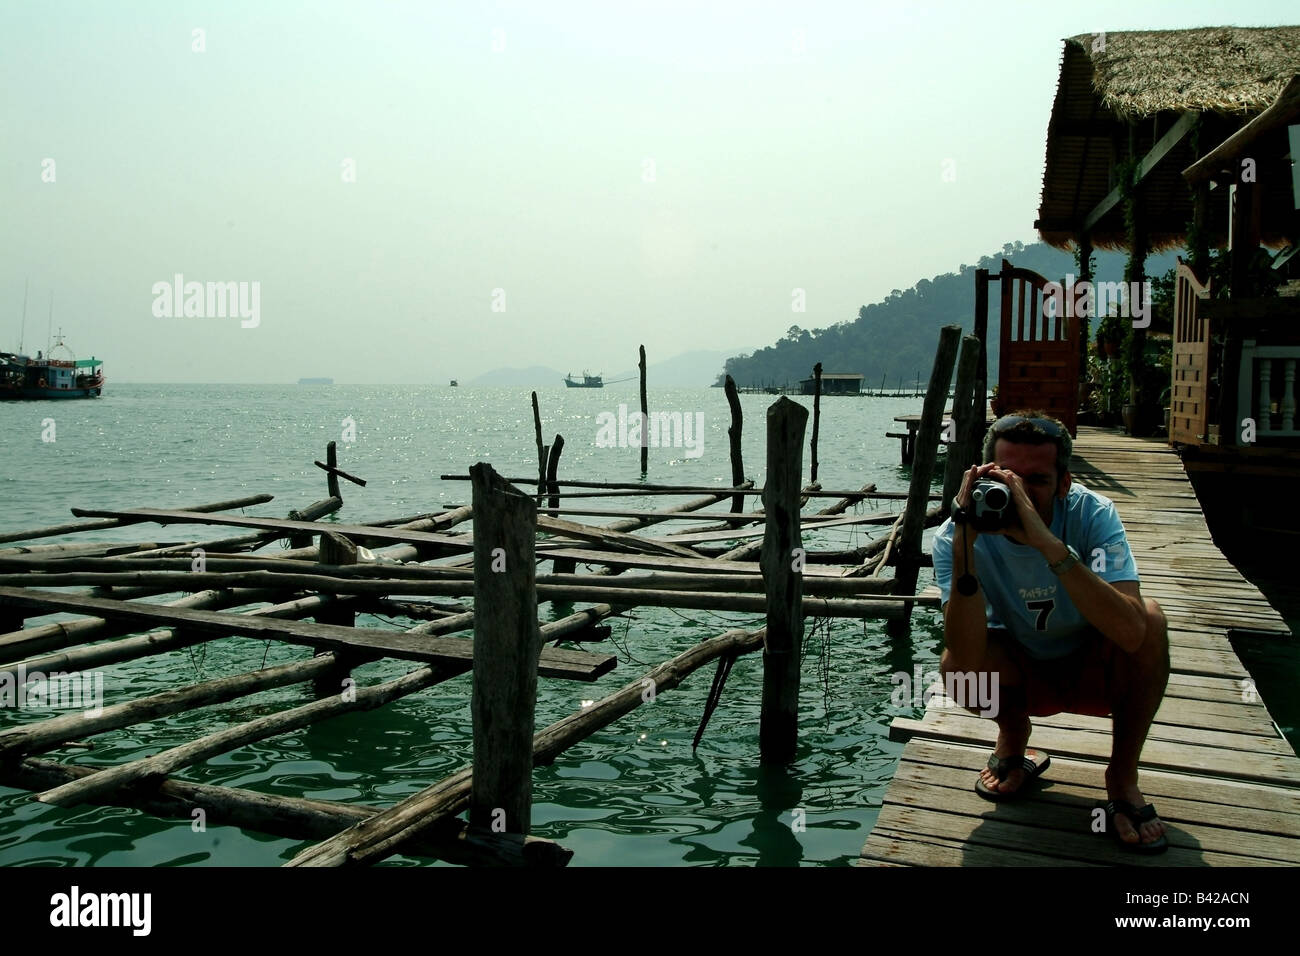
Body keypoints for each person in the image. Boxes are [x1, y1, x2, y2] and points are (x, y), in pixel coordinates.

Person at [931, 410, 1170, 853]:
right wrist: (966, 542)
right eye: (1008, 479)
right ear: (983, 477)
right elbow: (964, 655)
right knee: (955, 669)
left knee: (1151, 620)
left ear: (1064, 483)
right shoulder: (955, 536)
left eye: (1036, 481)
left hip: (1095, 671)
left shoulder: (1092, 515)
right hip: (1024, 671)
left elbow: (1133, 633)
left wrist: (1047, 543)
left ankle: (1121, 777)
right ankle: (1013, 735)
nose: (1020, 493)